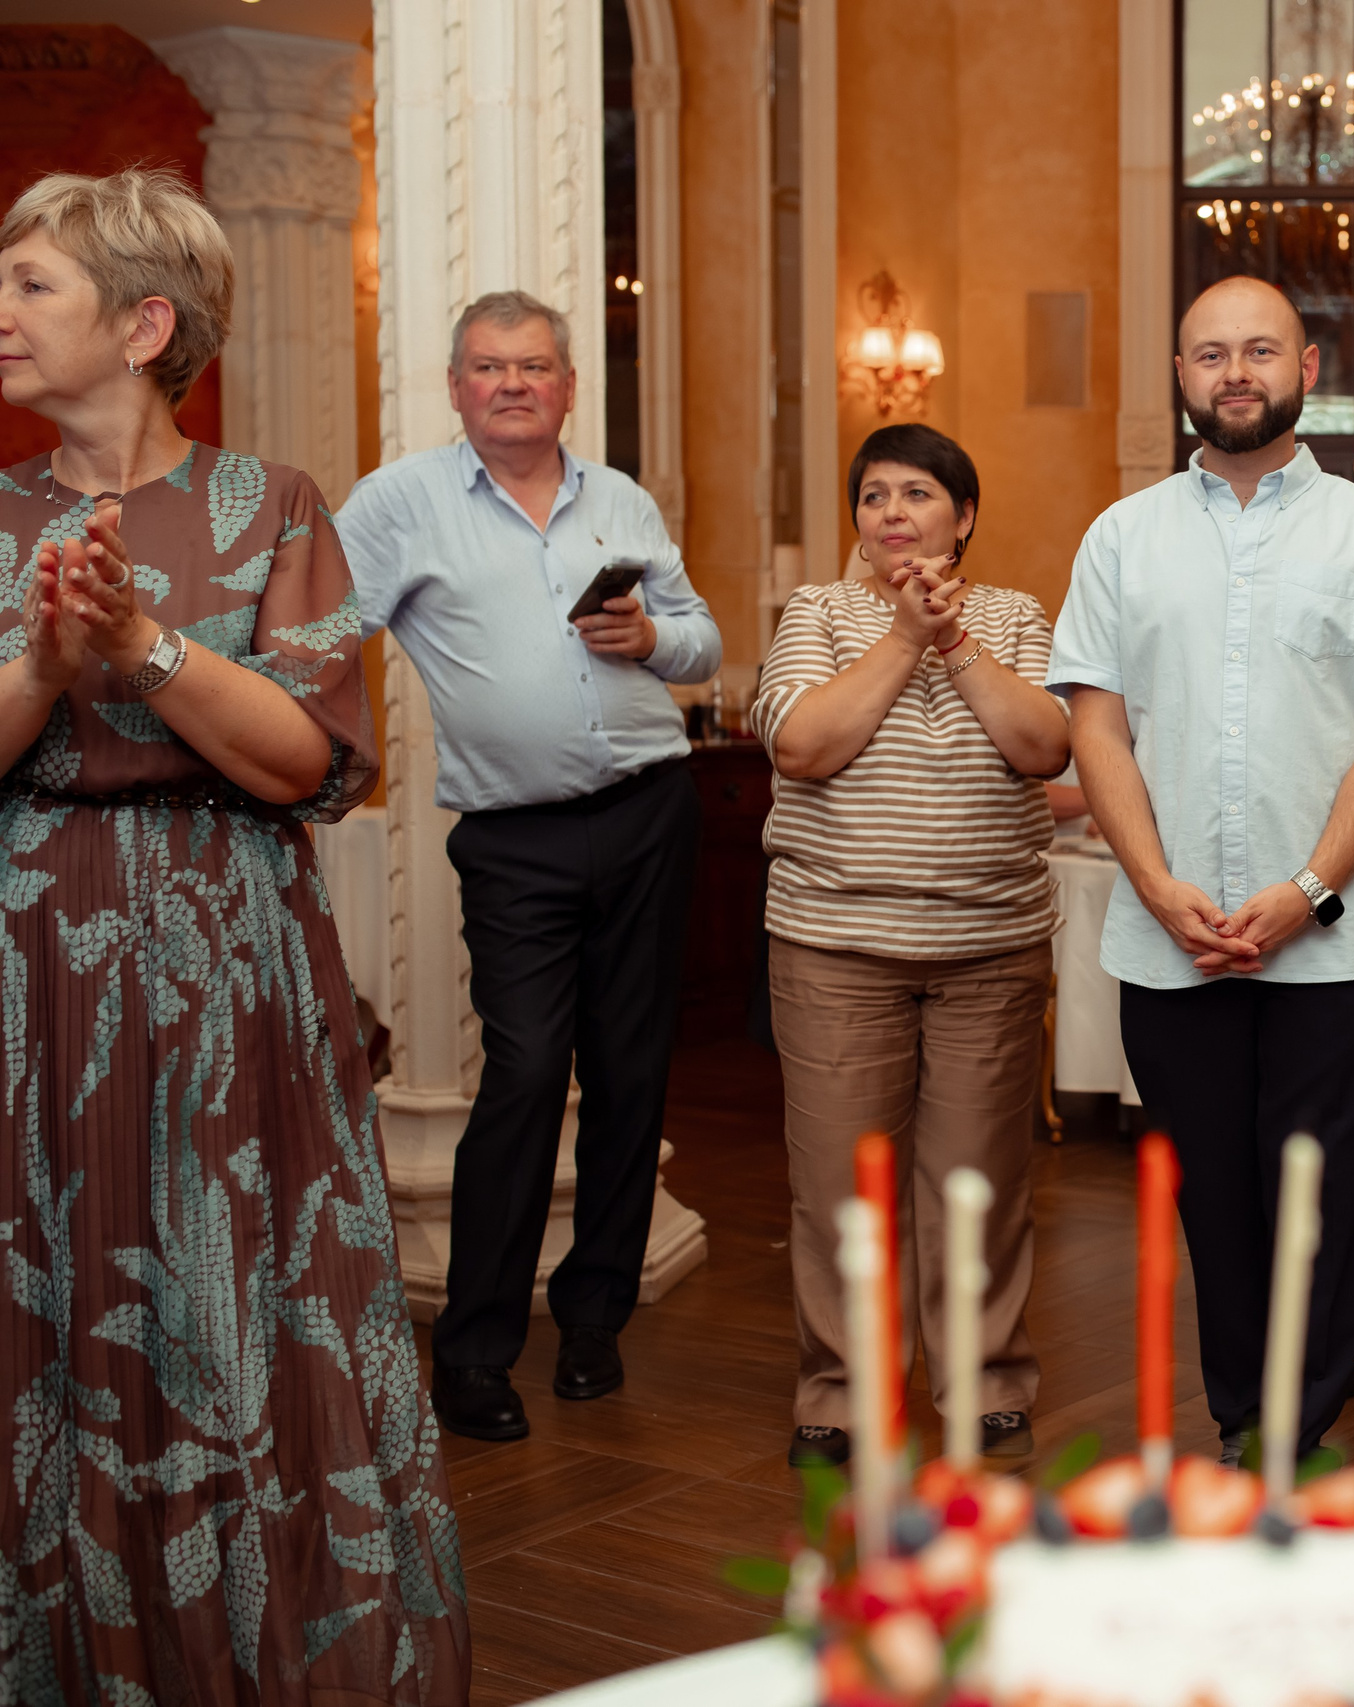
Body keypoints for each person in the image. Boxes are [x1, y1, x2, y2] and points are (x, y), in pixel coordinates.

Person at [0, 167, 468, 1700]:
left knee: (223, 1294)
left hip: (224, 959)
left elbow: (307, 761)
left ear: (144, 324)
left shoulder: (270, 507)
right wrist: (49, 667)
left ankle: (243, 1646)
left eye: (31, 285)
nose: (0, 313)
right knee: (43, 1293)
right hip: (26, 958)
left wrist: (144, 646)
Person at [1049, 276, 1354, 1466]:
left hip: (1328, 938)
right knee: (1213, 1204)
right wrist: (1160, 884)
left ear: (1307, 368)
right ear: (1180, 376)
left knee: (1315, 1205)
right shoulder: (1121, 536)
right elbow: (1096, 728)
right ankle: (1240, 1414)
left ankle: (1298, 1425)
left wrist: (1309, 890)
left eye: (1259, 350)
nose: (1235, 371)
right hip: (1168, 938)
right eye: (1210, 352)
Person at [338, 290, 724, 1443]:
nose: (513, 384)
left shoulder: (623, 502)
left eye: (536, 367)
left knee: (630, 1071)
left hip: (653, 809)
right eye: (490, 368)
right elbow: (316, 636)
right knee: (519, 1080)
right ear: (455, 388)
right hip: (515, 839)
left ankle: (594, 1318)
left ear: (568, 387)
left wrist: (651, 638)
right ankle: (474, 1352)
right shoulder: (400, 503)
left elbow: (702, 640)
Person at [750, 423, 1068, 1470]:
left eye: (919, 493)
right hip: (835, 946)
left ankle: (985, 1386)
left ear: (963, 518)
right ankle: (843, 1396)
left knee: (978, 1183)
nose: (894, 512)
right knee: (841, 1189)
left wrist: (954, 641)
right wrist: (900, 635)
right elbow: (802, 745)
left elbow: (1042, 744)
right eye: (875, 496)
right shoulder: (819, 613)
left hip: (989, 946)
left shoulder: (1018, 617)